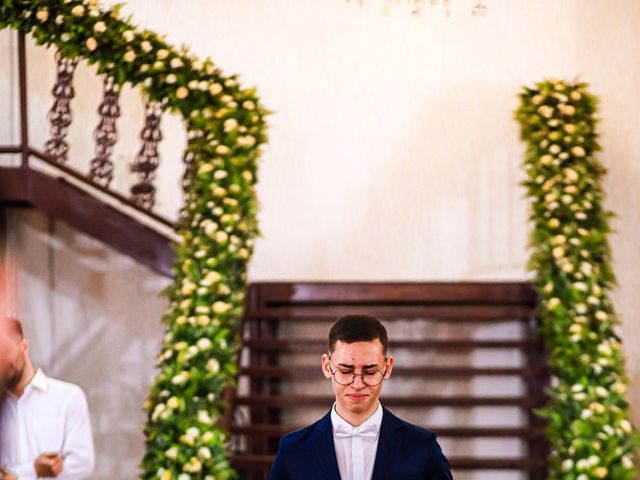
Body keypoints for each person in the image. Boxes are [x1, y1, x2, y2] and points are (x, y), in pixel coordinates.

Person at [270, 314, 453, 480]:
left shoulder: (422, 448)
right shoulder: (293, 450)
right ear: (327, 366)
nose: (357, 384)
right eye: (345, 371)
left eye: (370, 371)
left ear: (387, 368)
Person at [0, 317, 95, 479]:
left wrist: (19, 475)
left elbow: (82, 464)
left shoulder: (68, 397)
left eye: (4, 351)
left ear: (24, 346)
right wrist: (34, 470)